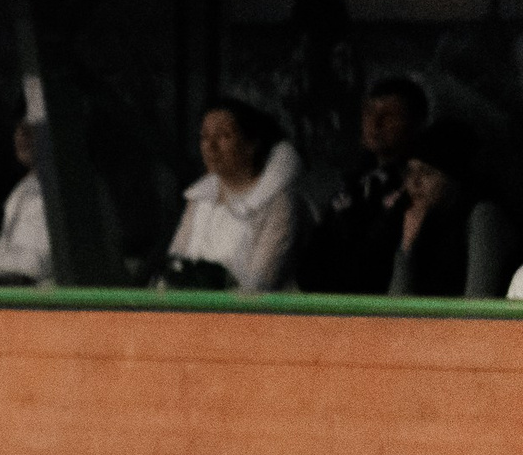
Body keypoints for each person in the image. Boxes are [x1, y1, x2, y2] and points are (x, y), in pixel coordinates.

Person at [300, 76, 428, 294]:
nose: (375, 124)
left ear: (415, 123)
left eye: (389, 116)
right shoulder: (354, 182)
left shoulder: (419, 184)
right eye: (369, 113)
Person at [162, 100, 301, 292]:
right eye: (204, 137)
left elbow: (259, 284)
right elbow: (176, 259)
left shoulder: (276, 203)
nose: (210, 146)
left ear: (251, 144)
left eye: (223, 136)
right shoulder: (199, 197)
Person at [388, 123, 519, 298]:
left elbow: (478, 305)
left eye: (427, 172)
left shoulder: (483, 216)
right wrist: (406, 248)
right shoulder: (419, 220)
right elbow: (394, 312)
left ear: (452, 179)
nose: (414, 183)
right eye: (410, 172)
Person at [0, 118, 52, 284]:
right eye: (18, 125)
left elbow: (35, 266)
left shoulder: (60, 191)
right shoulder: (21, 190)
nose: (21, 133)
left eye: (30, 124)